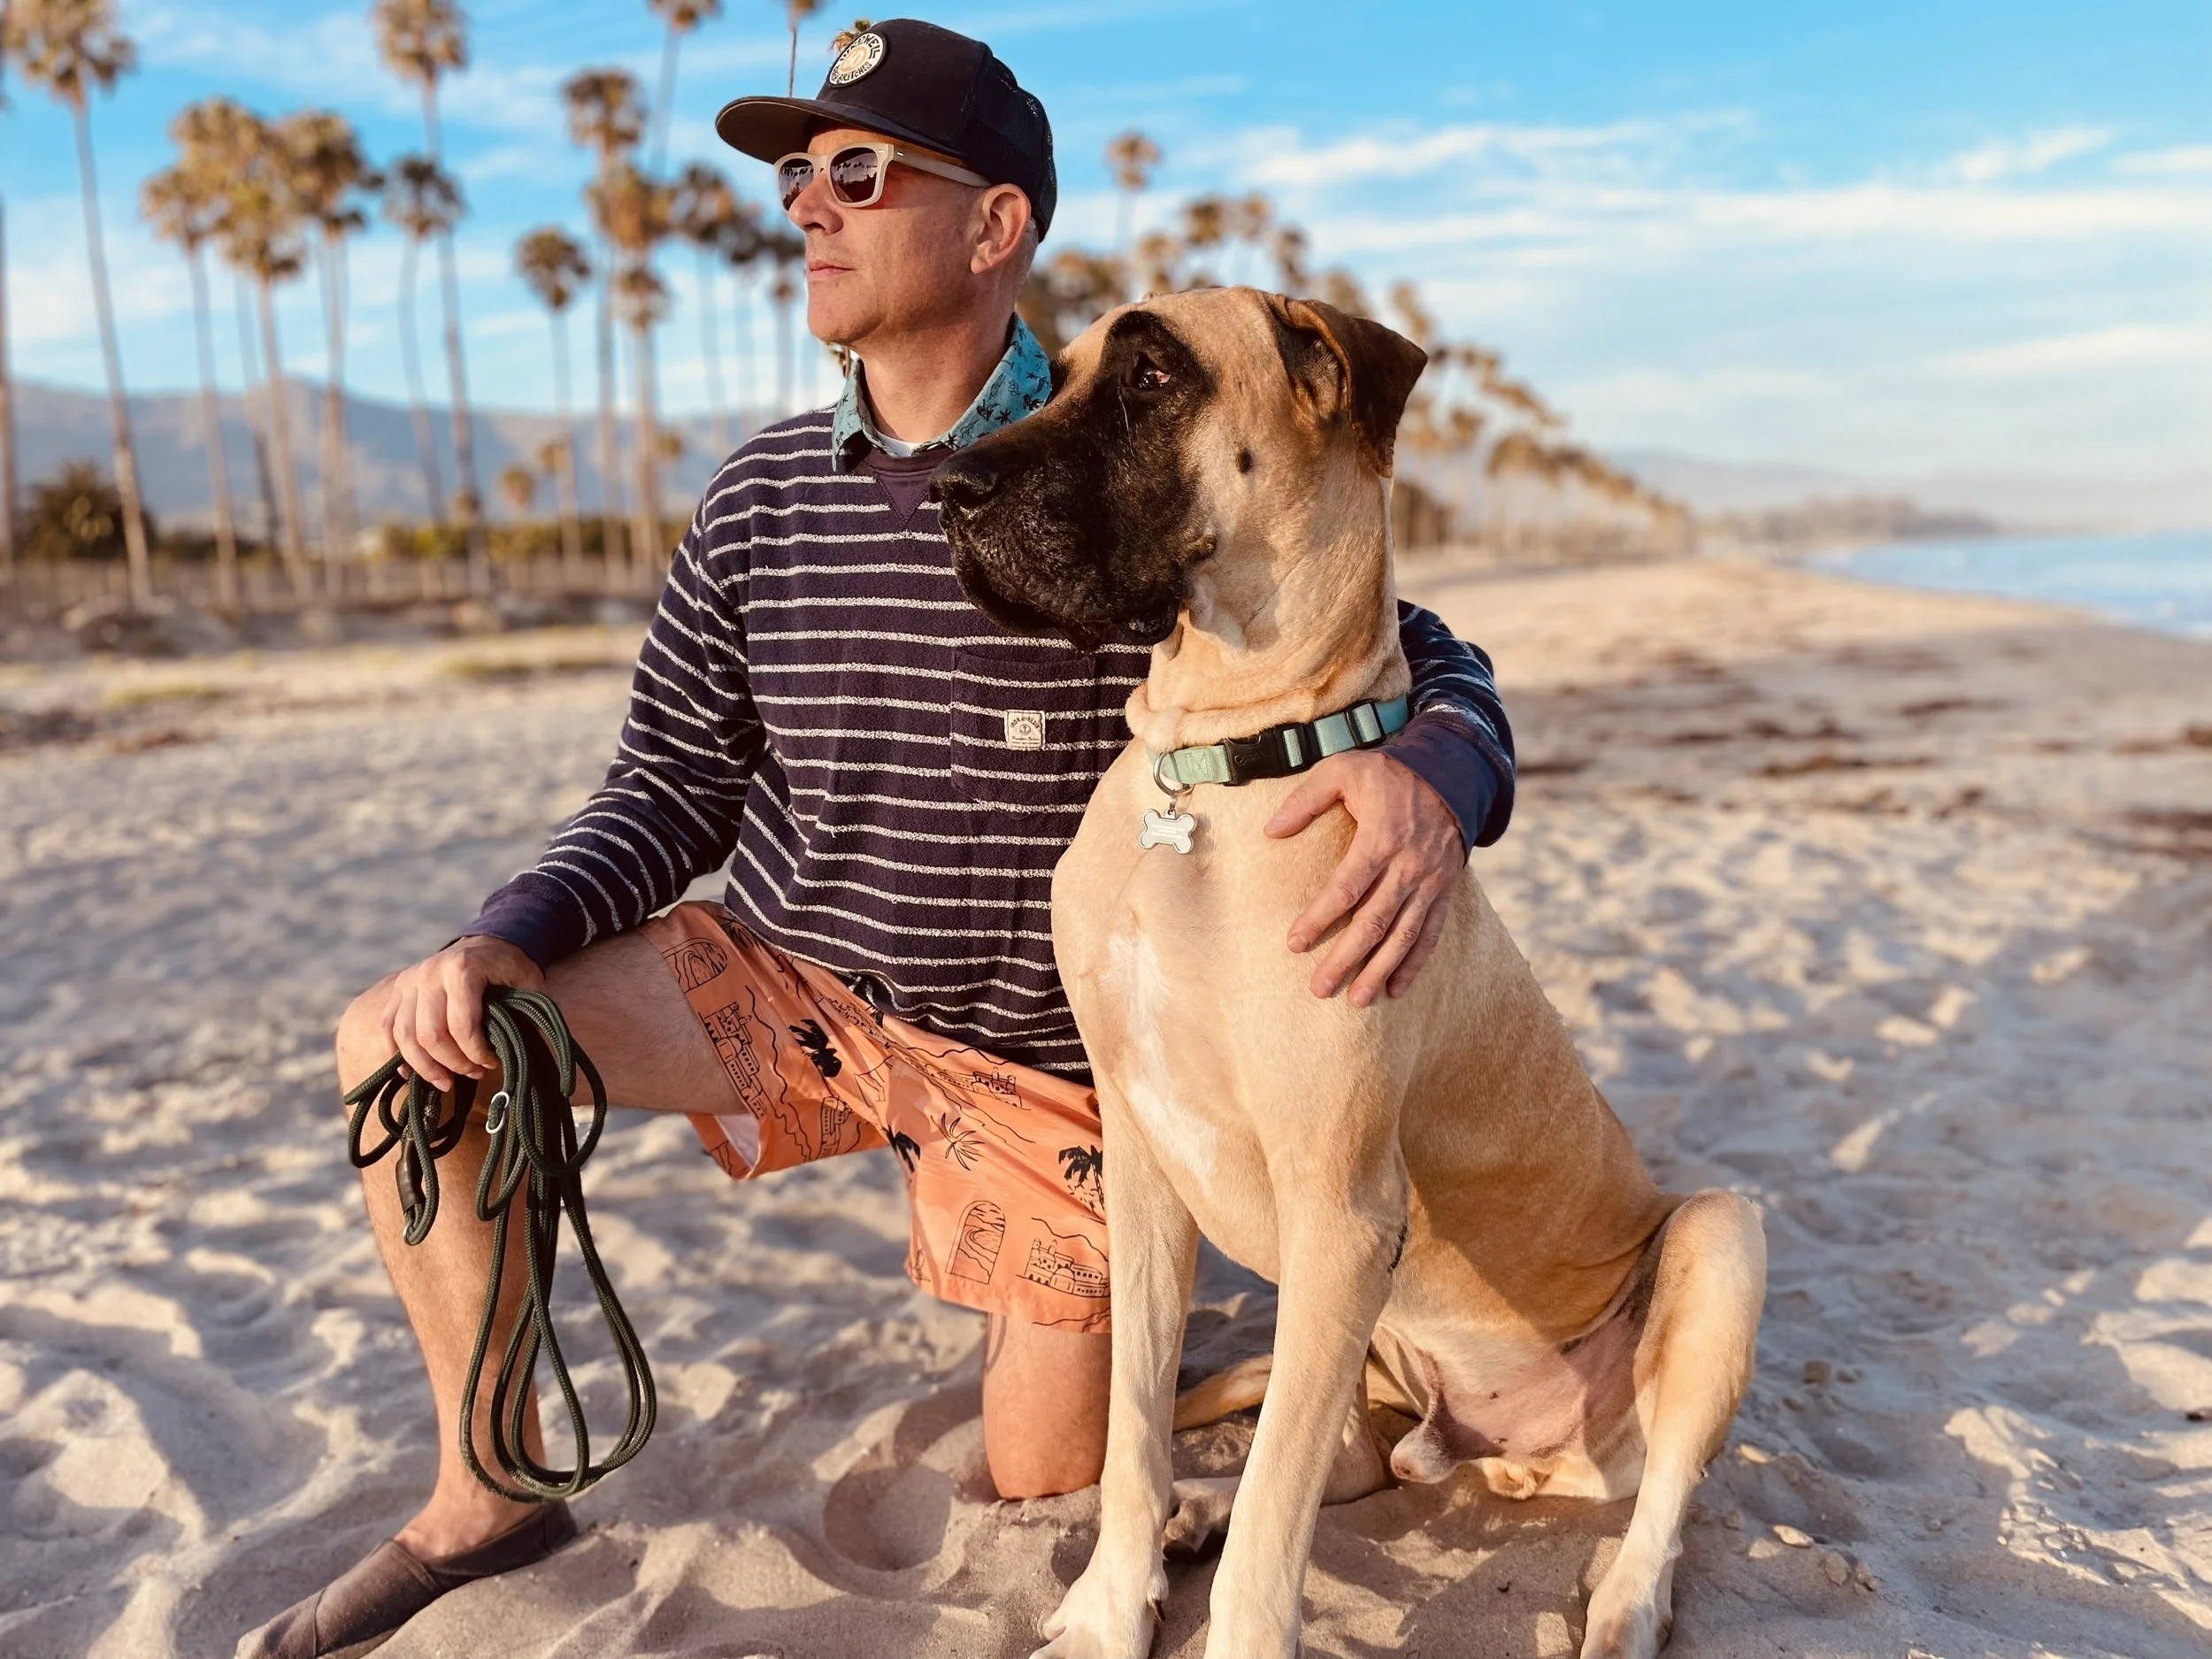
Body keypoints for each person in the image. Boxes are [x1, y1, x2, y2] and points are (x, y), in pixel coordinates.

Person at [242, 19, 1516, 1658]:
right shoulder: (759, 497)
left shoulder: (1111, 458)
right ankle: (489, 1486)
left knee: (1046, 1468)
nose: (809, 208)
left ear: (996, 227)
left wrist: (1441, 768)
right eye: (796, 177)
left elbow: (1396, 640)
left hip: (1040, 1074)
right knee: (414, 1040)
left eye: (860, 172)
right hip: (794, 996)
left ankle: (1236, 1349)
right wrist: (512, 928)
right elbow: (668, 784)